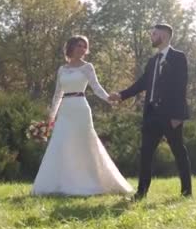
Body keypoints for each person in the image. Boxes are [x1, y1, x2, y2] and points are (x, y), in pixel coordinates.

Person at [31, 35, 133, 196]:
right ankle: (56, 185)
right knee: (61, 143)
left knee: (84, 144)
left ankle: (89, 182)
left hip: (81, 108)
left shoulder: (87, 67)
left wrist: (109, 99)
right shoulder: (62, 69)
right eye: (79, 45)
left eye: (84, 46)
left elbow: (97, 88)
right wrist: (51, 116)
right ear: (71, 47)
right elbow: (58, 94)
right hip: (65, 110)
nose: (82, 49)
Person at [109, 24, 192, 200]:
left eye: (154, 34)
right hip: (151, 114)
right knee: (145, 154)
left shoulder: (178, 57)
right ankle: (141, 193)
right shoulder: (152, 61)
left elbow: (181, 86)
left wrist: (178, 115)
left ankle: (186, 192)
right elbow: (142, 84)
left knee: (179, 152)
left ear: (165, 35)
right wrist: (121, 95)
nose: (151, 37)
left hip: (171, 116)